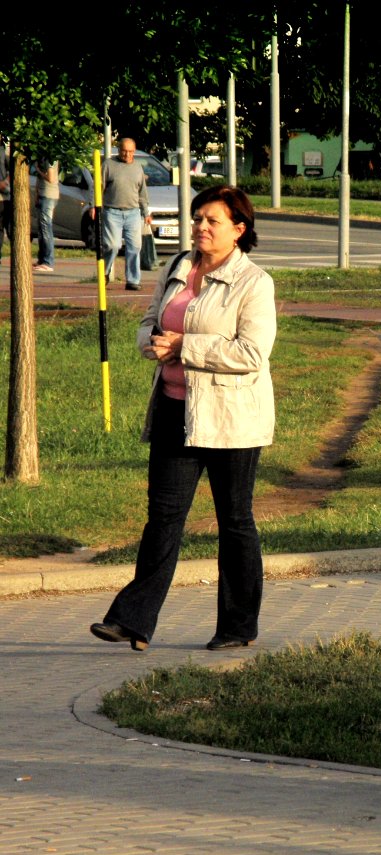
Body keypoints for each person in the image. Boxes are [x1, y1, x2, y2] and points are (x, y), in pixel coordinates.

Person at [90, 184, 277, 652]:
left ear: (239, 230)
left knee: (234, 520)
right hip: (177, 410)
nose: (201, 227)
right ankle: (132, 621)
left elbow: (252, 353)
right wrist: (150, 342)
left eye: (212, 221)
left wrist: (183, 347)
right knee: (163, 518)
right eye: (198, 219)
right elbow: (149, 321)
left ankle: (237, 627)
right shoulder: (178, 266)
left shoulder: (254, 282)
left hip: (231, 419)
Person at [92, 137, 152, 291]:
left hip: (133, 213)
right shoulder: (109, 165)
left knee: (135, 247)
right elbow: (98, 187)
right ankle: (104, 272)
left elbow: (142, 192)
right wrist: (93, 205)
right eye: (124, 151)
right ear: (118, 150)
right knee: (112, 245)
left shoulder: (138, 167)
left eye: (131, 151)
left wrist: (146, 212)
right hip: (112, 212)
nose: (127, 154)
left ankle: (133, 280)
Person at [33, 158, 60, 272]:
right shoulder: (44, 158)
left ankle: (48, 261)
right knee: (41, 228)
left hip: (48, 196)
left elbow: (51, 178)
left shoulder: (50, 159)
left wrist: (38, 170)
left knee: (46, 228)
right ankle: (42, 259)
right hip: (44, 194)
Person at [0, 139, 11, 262]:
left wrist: (5, 182)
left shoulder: (5, 151)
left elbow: (12, 169)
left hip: (4, 196)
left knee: (2, 226)